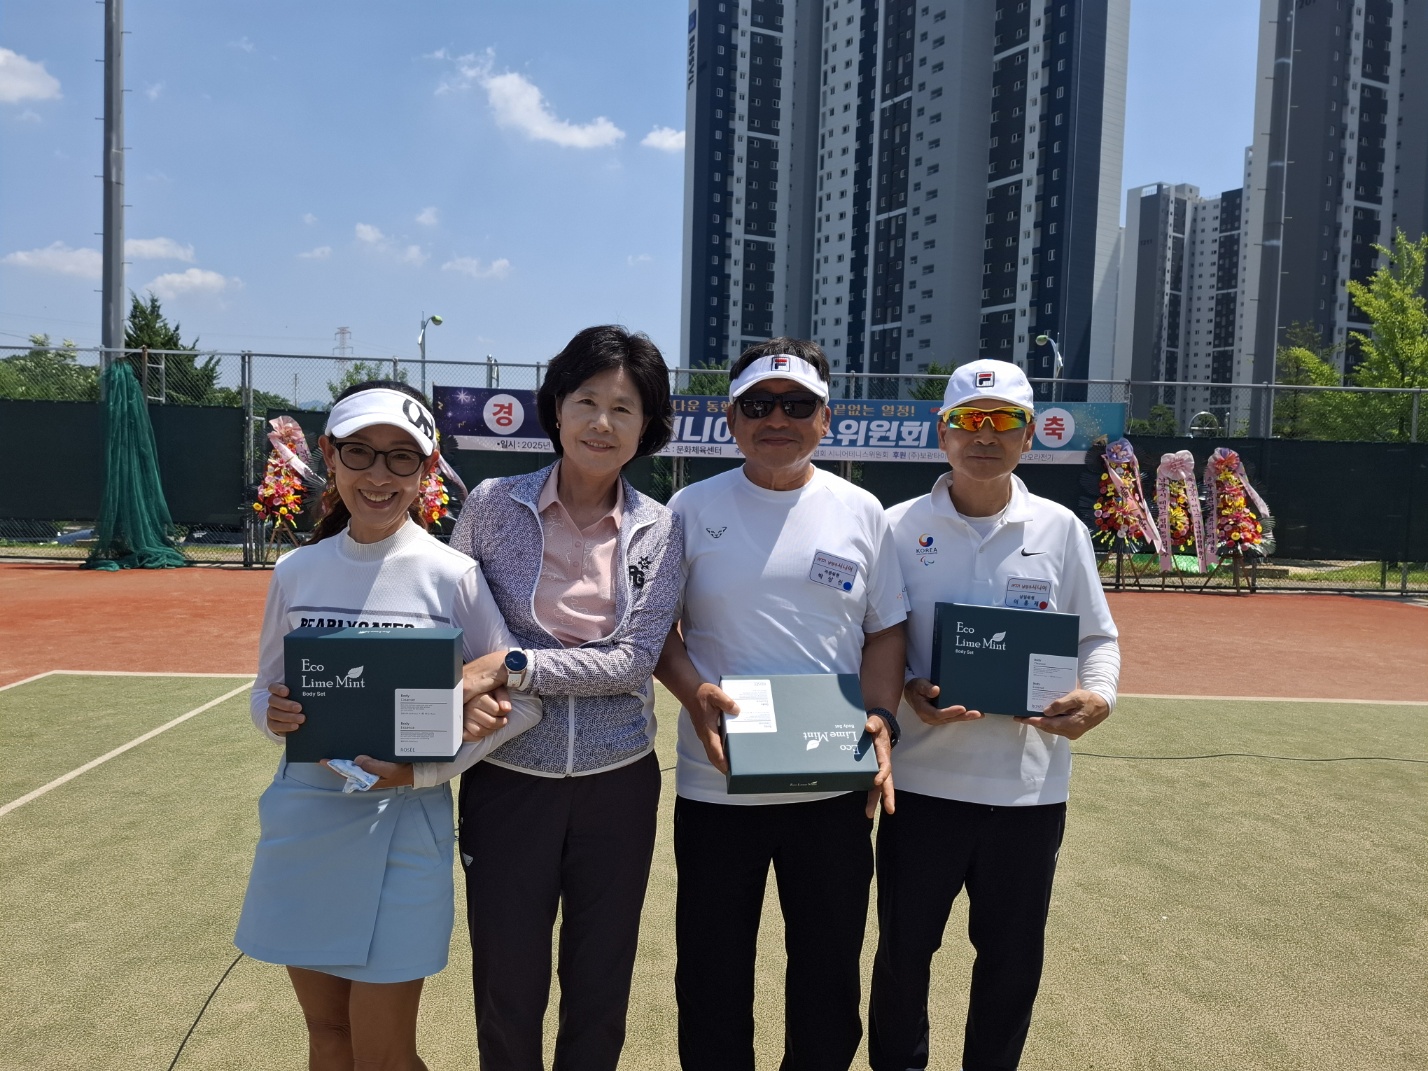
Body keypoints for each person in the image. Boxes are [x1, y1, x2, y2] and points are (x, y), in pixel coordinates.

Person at [235, 381, 542, 1071]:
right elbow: (263, 694)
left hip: (405, 828)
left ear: (426, 468)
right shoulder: (296, 571)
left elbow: (521, 701)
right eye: (361, 453)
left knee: (384, 1055)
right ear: (329, 455)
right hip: (304, 821)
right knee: (328, 1037)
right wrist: (273, 715)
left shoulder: (452, 574)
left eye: (401, 457)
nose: (379, 475)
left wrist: (425, 767)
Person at [655, 338, 908, 1071]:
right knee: (711, 975)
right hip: (717, 785)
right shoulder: (689, 508)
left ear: (825, 419)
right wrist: (693, 691)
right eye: (759, 404)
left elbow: (885, 629)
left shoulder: (862, 512)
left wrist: (881, 718)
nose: (777, 419)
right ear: (730, 417)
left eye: (797, 405)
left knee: (828, 977)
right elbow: (659, 632)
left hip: (831, 788)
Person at [868, 359, 1121, 1071]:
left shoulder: (1062, 530)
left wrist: (1099, 697)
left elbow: (1098, 639)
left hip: (1027, 793)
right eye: (969, 420)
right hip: (919, 788)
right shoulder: (894, 527)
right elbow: (872, 636)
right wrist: (908, 686)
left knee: (1011, 962)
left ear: (1029, 434)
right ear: (942, 431)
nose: (985, 435)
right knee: (903, 954)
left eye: (1004, 421)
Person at [447, 325, 684, 1071]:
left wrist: (513, 666)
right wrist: (470, 687)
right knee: (506, 979)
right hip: (507, 776)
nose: (602, 422)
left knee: (600, 980)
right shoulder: (492, 504)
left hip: (619, 782)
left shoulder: (660, 527)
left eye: (624, 407)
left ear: (647, 427)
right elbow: (448, 623)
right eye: (586, 400)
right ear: (556, 407)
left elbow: (632, 661)